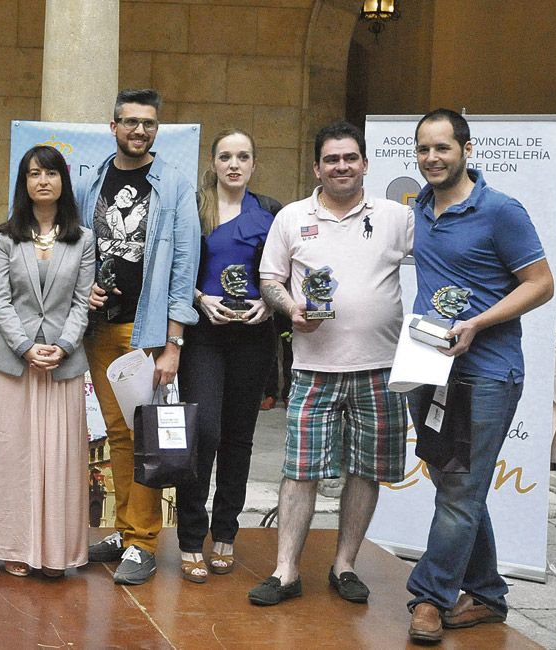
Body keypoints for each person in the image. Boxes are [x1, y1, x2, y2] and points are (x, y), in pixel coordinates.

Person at [405, 109, 554, 643]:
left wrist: (478, 323)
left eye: (442, 148)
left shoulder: (499, 210)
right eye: (423, 149)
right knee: (454, 484)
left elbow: (541, 284)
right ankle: (487, 593)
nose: (432, 158)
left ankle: (429, 596)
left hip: (488, 373)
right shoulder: (420, 208)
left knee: (459, 491)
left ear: (467, 150)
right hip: (428, 370)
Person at [251, 121, 413, 606]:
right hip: (314, 369)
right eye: (331, 159)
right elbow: (269, 278)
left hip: (382, 367)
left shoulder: (395, 217)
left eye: (350, 158)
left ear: (364, 163)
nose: (341, 166)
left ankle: (344, 565)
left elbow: (441, 261)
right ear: (317, 166)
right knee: (300, 469)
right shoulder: (292, 217)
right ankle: (285, 571)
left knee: (366, 470)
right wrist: (290, 307)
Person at [77, 88, 201, 585]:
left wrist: (173, 343)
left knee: (142, 433)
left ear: (157, 129)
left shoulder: (173, 185)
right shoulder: (91, 183)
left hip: (146, 329)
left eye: (148, 123)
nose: (139, 131)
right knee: (117, 435)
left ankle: (143, 542)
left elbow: (183, 268)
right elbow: (78, 250)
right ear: (114, 127)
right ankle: (126, 529)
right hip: (99, 330)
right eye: (130, 122)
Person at [175, 129, 281, 583]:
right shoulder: (192, 209)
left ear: (254, 164)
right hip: (205, 335)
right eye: (225, 156)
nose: (234, 164)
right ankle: (188, 536)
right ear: (214, 163)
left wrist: (270, 302)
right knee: (205, 432)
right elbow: (175, 268)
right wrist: (200, 298)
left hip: (254, 336)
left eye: (243, 156)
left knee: (239, 437)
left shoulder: (273, 213)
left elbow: (288, 271)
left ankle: (226, 532)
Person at [0, 145, 95, 578]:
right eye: (34, 174)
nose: (43, 181)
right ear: (24, 182)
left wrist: (63, 347)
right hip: (16, 365)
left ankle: (56, 553)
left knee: (61, 459)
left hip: (62, 366)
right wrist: (26, 347)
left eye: (51, 173)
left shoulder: (83, 239)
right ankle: (16, 545)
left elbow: (83, 302)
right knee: (15, 457)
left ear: (63, 181)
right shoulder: (3, 236)